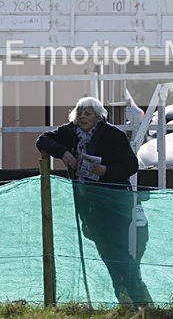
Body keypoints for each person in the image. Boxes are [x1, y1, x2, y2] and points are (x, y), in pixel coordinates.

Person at [36, 96, 151, 305]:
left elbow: (131, 165)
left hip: (115, 201)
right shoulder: (69, 133)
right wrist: (63, 153)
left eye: (88, 113)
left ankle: (136, 294)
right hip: (88, 204)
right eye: (79, 113)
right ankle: (125, 294)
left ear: (98, 117)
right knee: (105, 250)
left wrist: (106, 170)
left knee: (118, 249)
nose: (82, 117)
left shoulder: (113, 135)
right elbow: (42, 140)